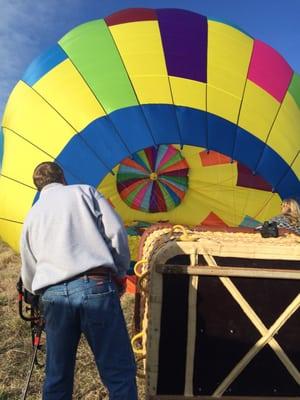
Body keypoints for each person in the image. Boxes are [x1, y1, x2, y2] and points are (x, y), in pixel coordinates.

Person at [20, 161, 137, 400]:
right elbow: (115, 232)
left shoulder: (32, 215)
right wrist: (120, 270)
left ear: (38, 187)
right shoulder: (85, 192)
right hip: (95, 285)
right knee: (118, 371)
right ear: (63, 178)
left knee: (57, 376)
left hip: (53, 297)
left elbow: (28, 266)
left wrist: (35, 295)